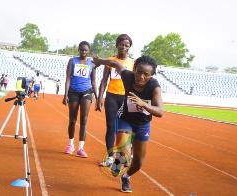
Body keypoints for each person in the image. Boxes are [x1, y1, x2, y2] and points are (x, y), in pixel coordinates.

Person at [93, 55, 164, 193]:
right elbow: (115, 63)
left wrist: (142, 104)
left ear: (151, 76)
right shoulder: (127, 76)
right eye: (139, 72)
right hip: (126, 119)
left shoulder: (154, 87)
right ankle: (120, 161)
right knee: (124, 155)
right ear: (134, 69)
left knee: (138, 162)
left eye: (146, 74)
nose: (141, 77)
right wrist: (100, 61)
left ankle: (126, 177)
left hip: (143, 124)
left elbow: (160, 111)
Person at [96, 34, 134, 166]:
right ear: (117, 45)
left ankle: (128, 153)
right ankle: (110, 158)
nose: (124, 47)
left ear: (129, 47)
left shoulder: (132, 63)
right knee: (111, 127)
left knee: (126, 127)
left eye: (127, 45)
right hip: (111, 96)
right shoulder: (110, 61)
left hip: (125, 97)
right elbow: (104, 80)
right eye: (121, 44)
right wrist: (99, 97)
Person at [62, 41, 98, 158]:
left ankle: (81, 148)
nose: (83, 52)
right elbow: (68, 77)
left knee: (84, 120)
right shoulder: (72, 61)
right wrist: (65, 94)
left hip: (87, 92)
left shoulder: (92, 64)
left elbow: (94, 81)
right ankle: (70, 144)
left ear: (89, 51)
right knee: (72, 120)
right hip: (73, 91)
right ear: (79, 50)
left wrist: (97, 97)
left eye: (86, 50)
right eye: (82, 50)